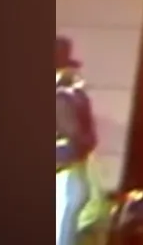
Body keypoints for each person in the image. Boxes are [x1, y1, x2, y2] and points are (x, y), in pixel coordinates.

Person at [56, 36, 98, 245]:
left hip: (63, 178)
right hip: (71, 177)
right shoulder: (76, 96)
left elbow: (76, 141)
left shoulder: (62, 98)